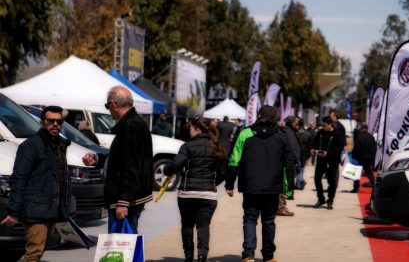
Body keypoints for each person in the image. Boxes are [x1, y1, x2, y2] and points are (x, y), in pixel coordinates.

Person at [1, 106, 84, 261]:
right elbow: (19, 178)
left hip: (53, 209)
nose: (55, 124)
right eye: (51, 121)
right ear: (42, 122)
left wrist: (64, 210)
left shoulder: (60, 145)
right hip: (35, 210)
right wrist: (13, 212)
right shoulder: (30, 146)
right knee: (34, 252)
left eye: (59, 121)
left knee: (41, 249)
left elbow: (61, 180)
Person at [225, 105, 295, 262]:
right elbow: (288, 165)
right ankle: (268, 257)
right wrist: (288, 190)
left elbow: (234, 160)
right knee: (269, 221)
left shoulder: (245, 133)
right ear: (274, 118)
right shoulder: (281, 136)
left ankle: (248, 255)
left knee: (250, 219)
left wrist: (229, 184)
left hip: (250, 186)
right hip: (272, 187)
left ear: (258, 115)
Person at [85, 86, 153, 233]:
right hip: (127, 196)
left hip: (125, 198)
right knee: (124, 242)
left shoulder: (131, 126)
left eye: (107, 105)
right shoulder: (132, 123)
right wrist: (97, 159)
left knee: (122, 243)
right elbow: (120, 159)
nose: (108, 110)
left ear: (114, 104)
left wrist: (124, 201)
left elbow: (131, 166)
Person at [164, 117, 228, 262]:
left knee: (187, 224)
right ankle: (201, 256)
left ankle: (188, 256)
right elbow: (224, 171)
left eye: (191, 128)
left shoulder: (187, 146)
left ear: (197, 129)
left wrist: (167, 169)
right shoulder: (217, 146)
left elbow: (175, 165)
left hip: (187, 194)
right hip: (208, 194)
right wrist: (211, 183)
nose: (189, 131)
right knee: (203, 226)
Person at [311, 116, 345, 210]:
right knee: (317, 178)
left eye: (325, 125)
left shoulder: (337, 134)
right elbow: (315, 142)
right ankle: (321, 199)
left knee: (331, 181)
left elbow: (339, 148)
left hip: (332, 161)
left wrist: (328, 153)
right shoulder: (320, 132)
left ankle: (330, 200)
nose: (323, 127)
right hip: (321, 160)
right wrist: (313, 149)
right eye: (322, 125)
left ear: (330, 124)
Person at [276, 116, 300, 216]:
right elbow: (292, 148)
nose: (297, 124)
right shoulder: (288, 132)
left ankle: (280, 207)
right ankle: (281, 208)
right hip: (287, 164)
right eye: (296, 122)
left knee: (285, 186)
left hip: (287, 162)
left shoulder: (288, 131)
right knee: (285, 186)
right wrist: (295, 161)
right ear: (292, 123)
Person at [351, 122, 377, 192]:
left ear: (361, 128)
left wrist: (354, 157)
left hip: (361, 158)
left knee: (357, 173)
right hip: (369, 158)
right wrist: (372, 156)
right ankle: (375, 187)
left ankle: (356, 188)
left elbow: (357, 148)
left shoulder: (359, 136)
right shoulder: (371, 136)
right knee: (369, 173)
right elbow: (374, 147)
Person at [294, 117, 312, 190]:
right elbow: (309, 146)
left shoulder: (295, 133)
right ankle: (299, 183)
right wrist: (309, 155)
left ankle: (300, 182)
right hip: (304, 153)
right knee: (301, 168)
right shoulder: (308, 134)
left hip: (297, 153)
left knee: (297, 169)